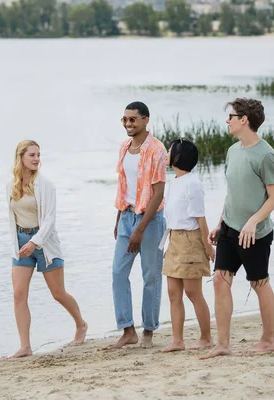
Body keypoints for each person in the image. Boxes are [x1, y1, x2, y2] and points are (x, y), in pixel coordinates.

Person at [201, 98, 274, 360]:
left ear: (244, 120)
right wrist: (221, 222)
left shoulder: (266, 155)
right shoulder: (233, 151)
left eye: (231, 116)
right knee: (220, 281)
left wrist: (253, 221)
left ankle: (268, 340)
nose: (228, 120)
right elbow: (232, 193)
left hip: (255, 233)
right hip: (230, 229)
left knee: (259, 283)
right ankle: (222, 343)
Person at [5, 140, 87, 359]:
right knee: (18, 294)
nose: (36, 159)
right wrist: (22, 244)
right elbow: (12, 219)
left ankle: (81, 324)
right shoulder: (11, 185)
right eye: (31, 155)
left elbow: (50, 220)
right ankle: (25, 347)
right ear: (20, 157)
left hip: (44, 242)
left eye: (38, 155)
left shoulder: (46, 185)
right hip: (21, 242)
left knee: (58, 293)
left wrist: (35, 243)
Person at [105, 101, 167, 350]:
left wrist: (140, 229)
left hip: (150, 222)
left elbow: (159, 192)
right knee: (118, 273)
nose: (128, 124)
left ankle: (149, 332)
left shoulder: (157, 149)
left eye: (133, 119)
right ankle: (128, 330)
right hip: (126, 217)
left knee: (150, 276)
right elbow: (123, 187)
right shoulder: (123, 147)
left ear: (145, 120)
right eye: (125, 120)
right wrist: (120, 220)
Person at [160, 138, 215, 353]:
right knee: (173, 294)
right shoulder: (174, 182)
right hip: (173, 240)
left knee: (193, 293)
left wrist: (208, 247)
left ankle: (206, 338)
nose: (166, 152)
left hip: (191, 240)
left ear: (178, 157)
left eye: (169, 150)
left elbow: (200, 218)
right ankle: (177, 341)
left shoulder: (193, 183)